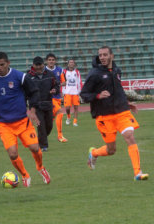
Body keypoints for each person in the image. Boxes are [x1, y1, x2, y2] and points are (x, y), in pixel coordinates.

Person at [0, 52, 50, 187]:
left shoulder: (20, 76)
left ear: (8, 63)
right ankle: (25, 175)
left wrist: (32, 110)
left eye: (2, 64)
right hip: (3, 124)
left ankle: (40, 168)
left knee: (35, 148)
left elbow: (33, 92)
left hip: (22, 121)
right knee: (13, 154)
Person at [80, 46, 149, 181]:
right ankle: (94, 153)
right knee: (111, 150)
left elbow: (118, 89)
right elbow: (83, 95)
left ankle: (137, 173)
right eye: (100, 55)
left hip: (121, 112)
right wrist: (98, 95)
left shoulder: (116, 70)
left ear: (112, 56)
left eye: (105, 55)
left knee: (129, 136)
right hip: (104, 116)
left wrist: (127, 103)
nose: (103, 57)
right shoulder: (94, 74)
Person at [26, 56, 59, 152]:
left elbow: (56, 85)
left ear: (43, 64)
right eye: (36, 65)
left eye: (40, 65)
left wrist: (55, 90)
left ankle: (41, 138)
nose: (39, 67)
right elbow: (24, 90)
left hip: (48, 104)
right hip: (36, 106)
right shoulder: (28, 76)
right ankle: (43, 146)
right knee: (41, 126)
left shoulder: (50, 74)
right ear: (33, 65)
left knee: (49, 126)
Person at [45, 53, 68, 143]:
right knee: (60, 112)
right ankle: (60, 136)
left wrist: (57, 86)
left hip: (57, 96)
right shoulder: (44, 71)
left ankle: (42, 135)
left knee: (51, 118)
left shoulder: (60, 70)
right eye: (49, 60)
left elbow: (64, 82)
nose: (51, 61)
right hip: (48, 97)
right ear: (47, 61)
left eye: (53, 60)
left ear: (55, 61)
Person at [60, 59, 83, 126]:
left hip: (75, 92)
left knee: (76, 107)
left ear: (74, 64)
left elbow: (79, 81)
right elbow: (62, 82)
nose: (71, 63)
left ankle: (75, 121)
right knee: (67, 108)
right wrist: (61, 91)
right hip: (67, 92)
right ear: (68, 64)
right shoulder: (64, 72)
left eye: (73, 62)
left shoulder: (77, 72)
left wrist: (80, 91)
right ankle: (68, 117)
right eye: (70, 62)